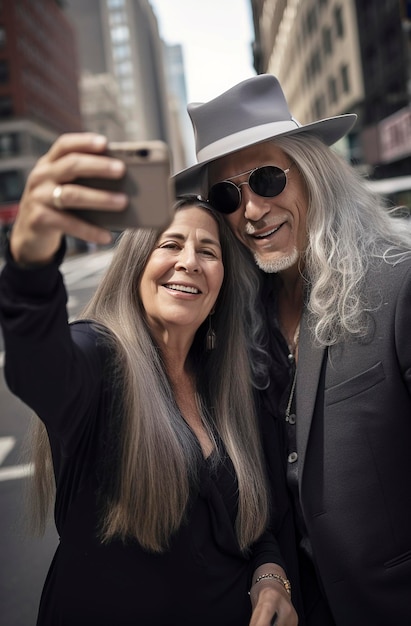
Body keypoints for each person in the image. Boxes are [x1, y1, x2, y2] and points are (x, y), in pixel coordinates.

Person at [0, 133, 299, 626]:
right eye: (171, 243)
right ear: (138, 262)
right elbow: (39, 368)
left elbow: (249, 521)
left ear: (222, 280)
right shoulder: (98, 356)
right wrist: (31, 262)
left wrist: (271, 576)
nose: (189, 261)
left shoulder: (226, 388)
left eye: (208, 251)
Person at [174, 74, 411, 626]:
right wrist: (270, 572)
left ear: (312, 173)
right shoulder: (234, 322)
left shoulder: (398, 284)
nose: (251, 210)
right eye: (228, 195)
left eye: (266, 178)